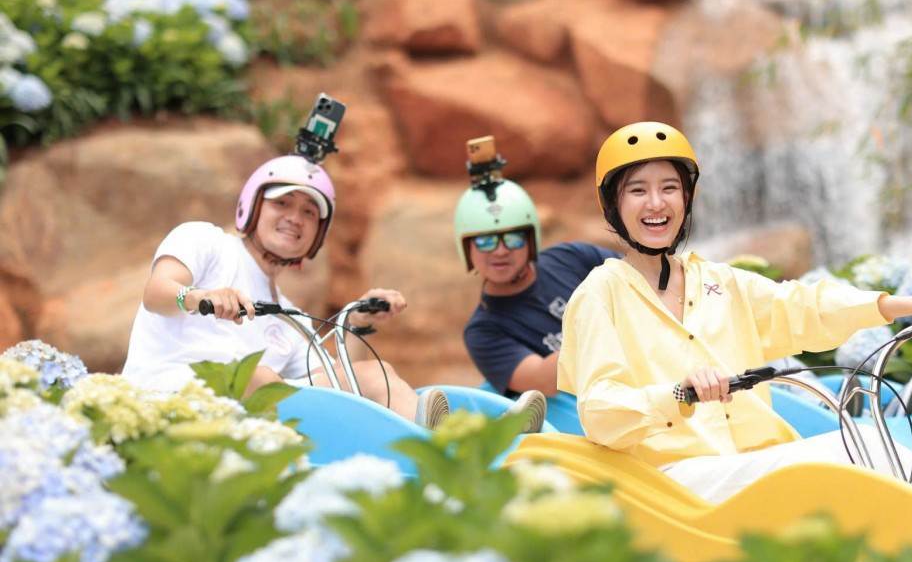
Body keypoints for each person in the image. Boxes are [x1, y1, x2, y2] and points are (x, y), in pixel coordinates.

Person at [557, 122, 912, 521]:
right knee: (852, 446)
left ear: (687, 198)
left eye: (669, 188)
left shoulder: (717, 282)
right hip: (677, 484)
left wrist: (909, 305)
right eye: (638, 191)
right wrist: (678, 394)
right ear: (614, 206)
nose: (656, 204)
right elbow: (600, 412)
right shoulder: (600, 294)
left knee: (866, 444)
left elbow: (808, 307)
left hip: (752, 466)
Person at [122, 154, 449, 428]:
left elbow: (339, 387)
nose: (295, 218)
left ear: (319, 233)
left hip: (241, 424)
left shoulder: (291, 318)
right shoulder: (206, 241)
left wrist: (358, 323)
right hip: (161, 404)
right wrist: (197, 297)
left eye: (309, 212)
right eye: (282, 203)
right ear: (253, 206)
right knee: (257, 379)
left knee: (373, 375)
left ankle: (435, 444)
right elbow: (157, 292)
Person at [454, 137, 616, 425]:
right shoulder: (483, 331)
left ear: (531, 239)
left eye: (513, 237)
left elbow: (641, 279)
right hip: (586, 412)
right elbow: (544, 380)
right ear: (467, 249)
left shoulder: (572, 257)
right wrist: (604, 326)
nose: (500, 250)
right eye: (485, 241)